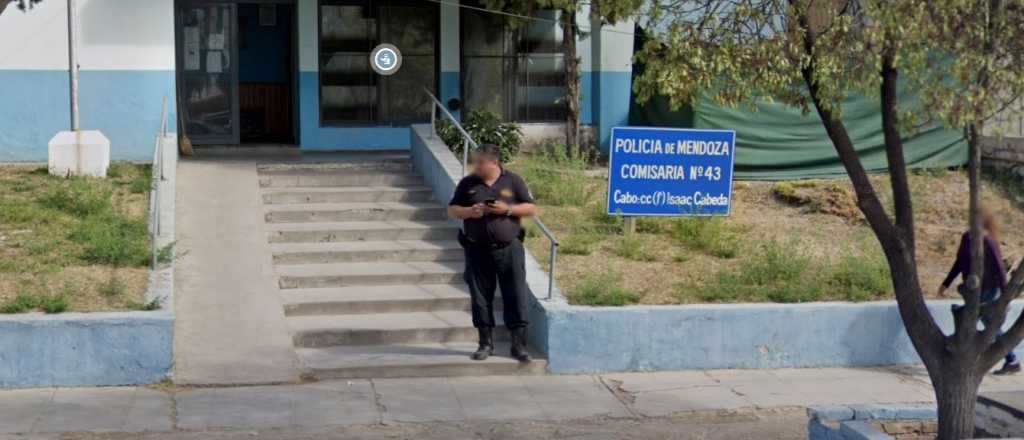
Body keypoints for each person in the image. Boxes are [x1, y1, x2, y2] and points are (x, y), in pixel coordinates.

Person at [447, 144, 537, 363]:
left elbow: (530, 208)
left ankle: (518, 346)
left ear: (494, 162)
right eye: (475, 161)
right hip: (476, 248)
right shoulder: (468, 183)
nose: (475, 165)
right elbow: (452, 210)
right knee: (480, 298)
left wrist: (506, 210)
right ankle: (485, 344)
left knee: (515, 294)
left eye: (480, 162)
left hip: (509, 249)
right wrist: (469, 211)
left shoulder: (513, 180)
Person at [939, 207, 1017, 375]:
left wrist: (1006, 297)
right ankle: (1011, 360)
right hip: (973, 290)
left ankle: (1009, 360)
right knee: (987, 325)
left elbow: (999, 268)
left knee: (980, 323)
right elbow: (959, 262)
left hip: (989, 289)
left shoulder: (988, 240)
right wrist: (946, 283)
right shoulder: (966, 237)